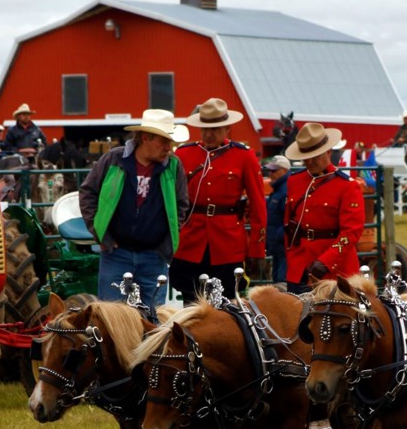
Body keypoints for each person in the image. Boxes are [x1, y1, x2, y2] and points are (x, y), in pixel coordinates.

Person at [79, 109, 189, 306]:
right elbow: (88, 192)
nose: (169, 148)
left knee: (153, 320)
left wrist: (164, 243)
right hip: (115, 253)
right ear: (146, 138)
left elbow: (182, 205)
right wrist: (100, 233)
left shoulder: (173, 165)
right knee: (112, 319)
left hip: (154, 257)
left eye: (170, 141)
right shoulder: (114, 159)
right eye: (164, 141)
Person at [170, 98, 267, 303]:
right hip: (190, 238)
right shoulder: (183, 154)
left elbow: (258, 204)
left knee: (226, 300)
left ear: (227, 128)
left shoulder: (244, 156)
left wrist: (257, 248)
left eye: (215, 129)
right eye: (204, 128)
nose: (208, 134)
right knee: (190, 300)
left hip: (227, 241)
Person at [284, 123, 364, 294]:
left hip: (334, 268)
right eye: (306, 157)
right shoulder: (294, 181)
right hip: (299, 265)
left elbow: (351, 232)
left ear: (328, 151)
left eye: (316, 156)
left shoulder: (347, 186)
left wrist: (326, 261)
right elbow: (289, 223)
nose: (310, 162)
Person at [265, 155, 291, 284]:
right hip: (278, 243)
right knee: (278, 278)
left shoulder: (285, 190)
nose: (270, 174)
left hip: (283, 244)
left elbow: (289, 217)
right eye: (269, 170)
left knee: (282, 280)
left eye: (274, 171)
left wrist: (277, 237)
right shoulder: (279, 189)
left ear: (284, 171)